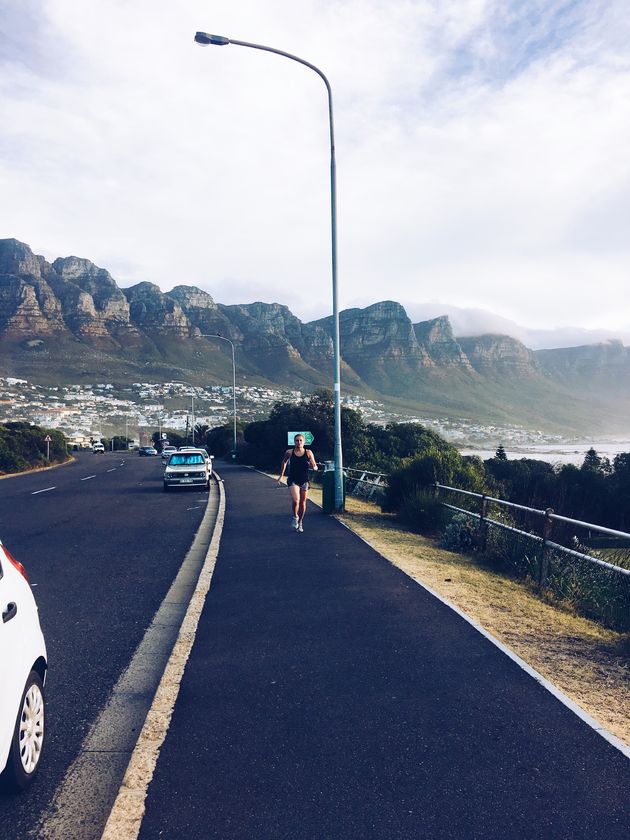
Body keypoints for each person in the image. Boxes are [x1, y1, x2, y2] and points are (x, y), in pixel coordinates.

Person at [278, 434, 317, 532]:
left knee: (303, 503)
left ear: (304, 442)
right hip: (293, 479)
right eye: (297, 440)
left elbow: (314, 464)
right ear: (294, 442)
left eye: (300, 440)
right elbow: (284, 462)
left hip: (304, 480)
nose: (298, 442)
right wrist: (281, 475)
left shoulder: (308, 452)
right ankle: (295, 517)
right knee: (296, 500)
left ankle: (300, 523)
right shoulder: (289, 452)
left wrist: (314, 467)